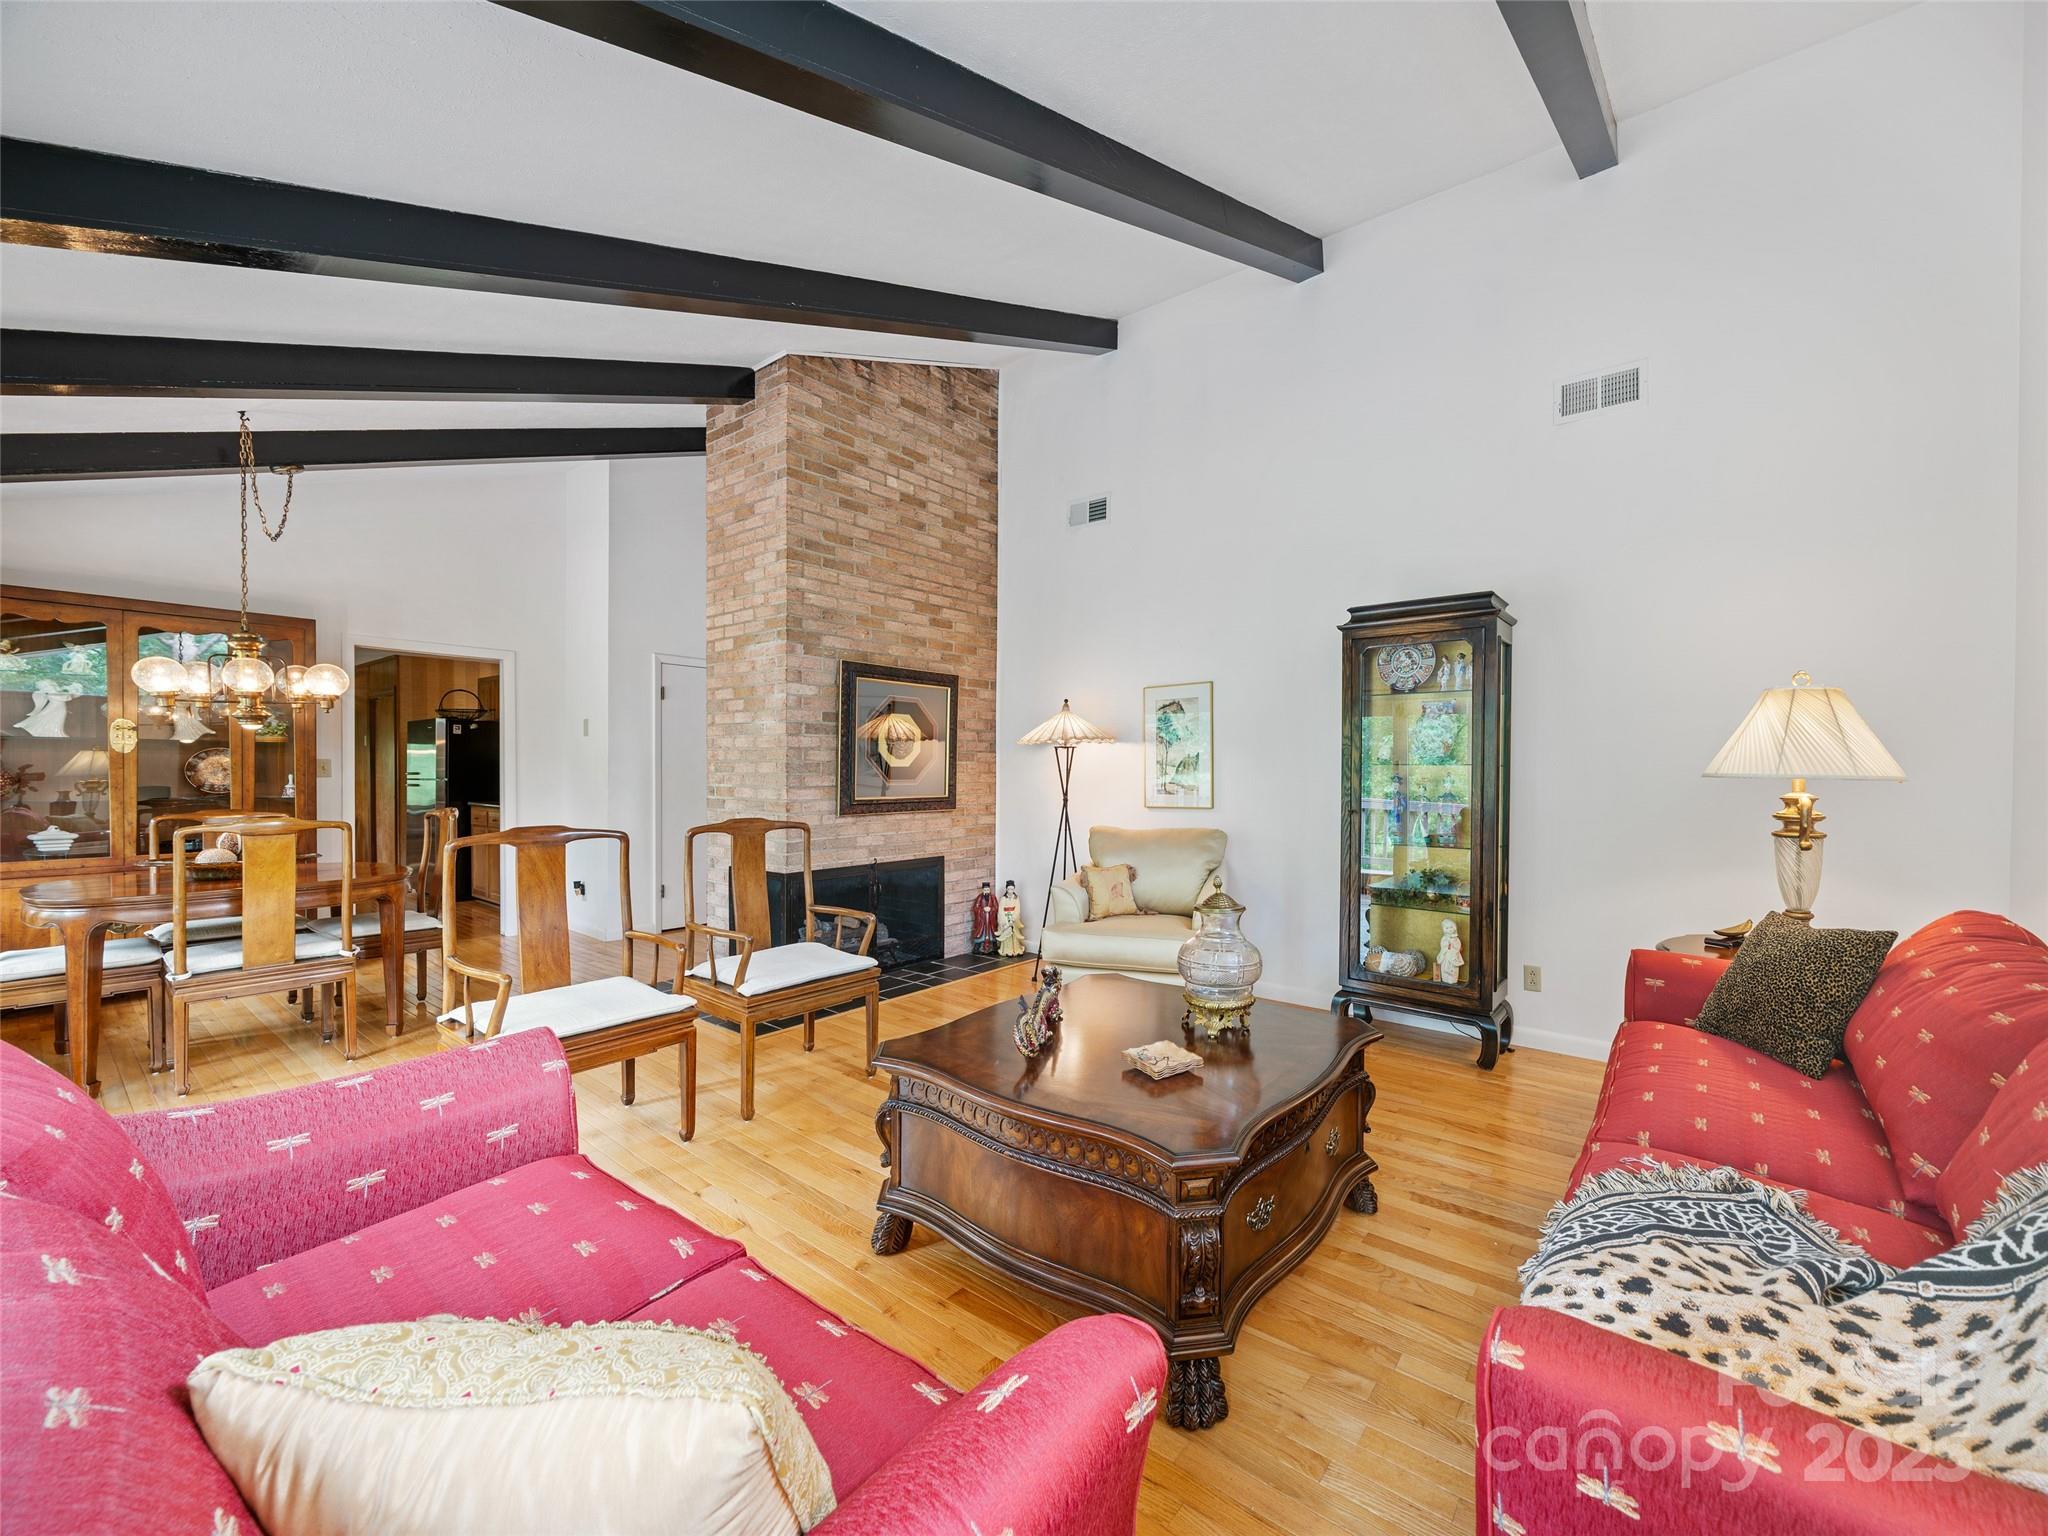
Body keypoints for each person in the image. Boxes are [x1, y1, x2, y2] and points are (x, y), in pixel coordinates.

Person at [996, 880, 1025, 957]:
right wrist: (1005, 921)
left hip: (1013, 917)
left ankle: (1016, 949)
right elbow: (1001, 910)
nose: (1010, 891)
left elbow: (1017, 909)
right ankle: (1007, 950)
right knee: (1007, 932)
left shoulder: (1016, 898)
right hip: (1005, 916)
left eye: (1012, 889)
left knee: (1014, 932)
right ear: (1006, 889)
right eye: (1009, 889)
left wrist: (1013, 918)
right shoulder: (1003, 899)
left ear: (1014, 889)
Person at [970, 879, 998, 954]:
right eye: (985, 890)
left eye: (987, 889)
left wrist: (991, 909)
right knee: (980, 934)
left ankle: (994, 948)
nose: (986, 891)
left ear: (989, 890)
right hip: (982, 921)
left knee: (992, 934)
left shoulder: (993, 897)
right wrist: (982, 909)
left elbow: (996, 907)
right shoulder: (979, 897)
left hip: (991, 921)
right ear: (983, 890)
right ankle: (977, 948)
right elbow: (975, 908)